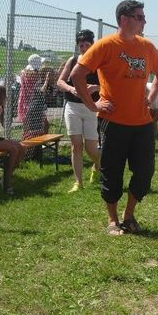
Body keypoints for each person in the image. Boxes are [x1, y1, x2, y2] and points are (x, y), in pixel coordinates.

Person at [70, 0, 158, 236]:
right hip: (114, 122)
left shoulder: (147, 47)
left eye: (144, 17)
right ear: (124, 19)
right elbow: (77, 74)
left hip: (142, 123)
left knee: (145, 172)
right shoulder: (106, 45)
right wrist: (93, 105)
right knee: (112, 172)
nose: (144, 21)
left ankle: (129, 215)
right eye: (140, 17)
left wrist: (151, 97)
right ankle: (112, 220)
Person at [57, 29, 101, 193]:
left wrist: (96, 87)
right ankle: (78, 182)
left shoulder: (99, 62)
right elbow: (60, 82)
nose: (83, 47)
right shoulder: (73, 60)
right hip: (72, 106)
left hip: (91, 107)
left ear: (92, 44)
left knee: (91, 148)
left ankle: (97, 165)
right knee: (76, 146)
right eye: (80, 44)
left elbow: (109, 84)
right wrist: (71, 88)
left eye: (86, 44)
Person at [17, 54, 44, 124]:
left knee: (26, 120)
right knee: (34, 121)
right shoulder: (36, 75)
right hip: (33, 98)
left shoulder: (24, 73)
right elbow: (41, 89)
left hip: (24, 96)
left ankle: (26, 132)